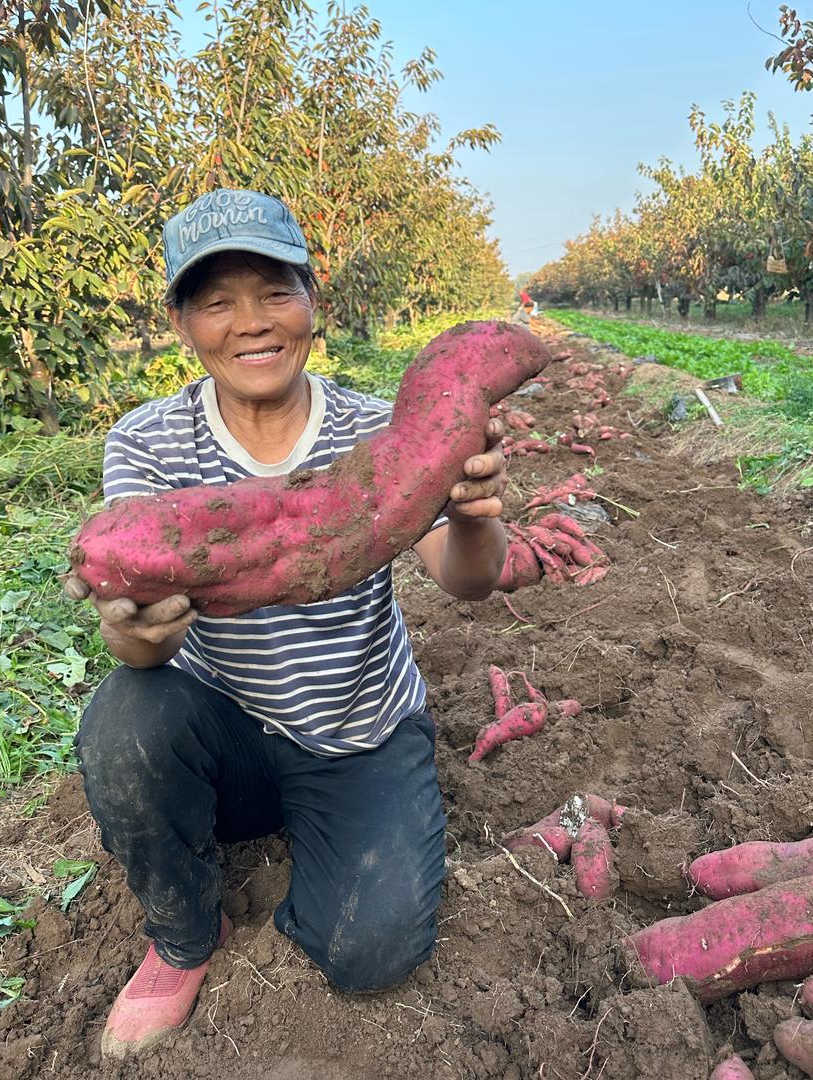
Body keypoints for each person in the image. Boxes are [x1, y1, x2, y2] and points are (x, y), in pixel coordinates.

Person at [63, 188, 509, 1059]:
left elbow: (469, 582)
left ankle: (327, 844)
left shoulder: (377, 428)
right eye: (217, 300)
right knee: (124, 717)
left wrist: (472, 513)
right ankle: (186, 934)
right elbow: (142, 644)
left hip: (359, 730)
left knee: (373, 951)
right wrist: (136, 623)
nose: (251, 322)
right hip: (227, 733)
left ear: (313, 301)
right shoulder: (149, 443)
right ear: (183, 323)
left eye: (274, 291)